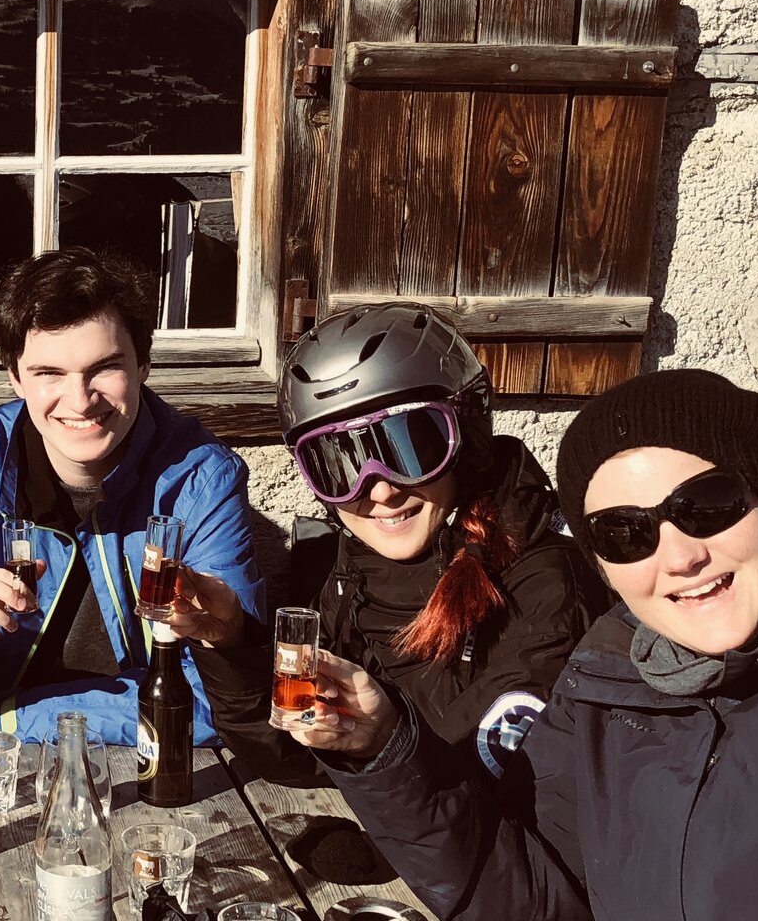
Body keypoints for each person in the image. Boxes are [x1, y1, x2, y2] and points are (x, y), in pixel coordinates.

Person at [299, 369, 758, 920]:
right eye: (626, 532)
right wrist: (386, 749)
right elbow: (537, 899)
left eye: (705, 507)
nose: (680, 557)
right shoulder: (606, 684)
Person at [185, 302, 611, 783]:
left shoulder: (546, 589)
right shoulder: (355, 568)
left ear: (466, 437)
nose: (380, 491)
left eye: (410, 448)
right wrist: (230, 643)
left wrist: (387, 741)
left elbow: (488, 804)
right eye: (339, 465)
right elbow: (297, 755)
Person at [0, 247, 262, 745]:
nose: (80, 400)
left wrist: (11, 720)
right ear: (14, 377)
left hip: (140, 765)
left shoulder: (201, 479)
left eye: (104, 368)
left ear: (143, 363)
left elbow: (222, 700)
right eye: (49, 374)